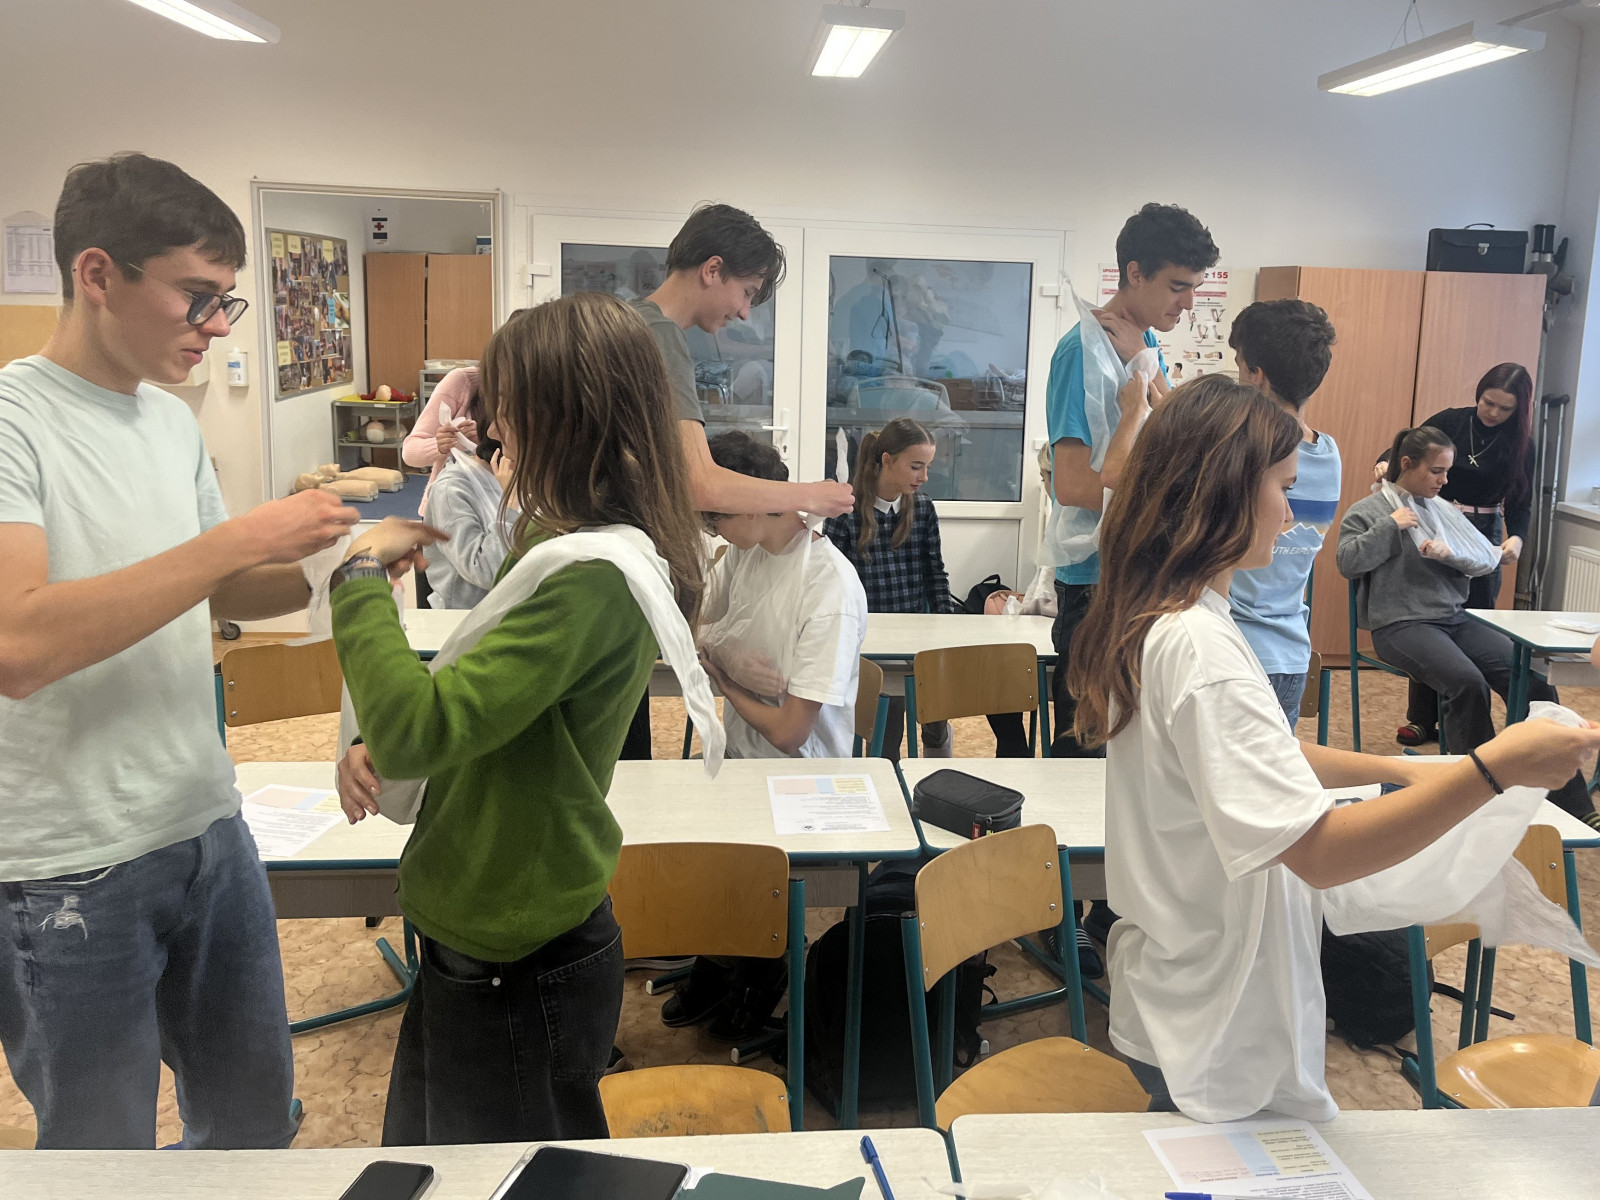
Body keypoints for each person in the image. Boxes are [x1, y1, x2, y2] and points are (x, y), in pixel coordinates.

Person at [1068, 376, 1600, 1121]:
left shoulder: (1179, 615)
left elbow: (1272, 752)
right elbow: (1319, 853)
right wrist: (1491, 769)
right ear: (1223, 492)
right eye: (1283, 488)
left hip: (1191, 983)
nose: (1290, 515)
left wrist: (1418, 773)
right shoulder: (1199, 649)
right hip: (1212, 1015)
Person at [0, 153, 358, 1149]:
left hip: (203, 822)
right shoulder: (13, 421)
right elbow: (17, 643)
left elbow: (224, 589)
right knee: (101, 1153)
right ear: (98, 274)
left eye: (225, 302)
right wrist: (238, 538)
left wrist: (340, 562)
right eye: (197, 297)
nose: (216, 326)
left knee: (252, 1120)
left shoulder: (168, 418)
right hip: (68, 864)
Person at [329, 293, 708, 1144]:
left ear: (561, 416)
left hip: (515, 939)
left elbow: (422, 730)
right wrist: (371, 735)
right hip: (492, 915)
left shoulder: (590, 574)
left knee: (501, 1172)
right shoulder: (556, 542)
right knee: (441, 1151)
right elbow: (473, 696)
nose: (493, 428)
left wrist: (357, 580)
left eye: (507, 407)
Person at [622, 204, 854, 758]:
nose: (745, 312)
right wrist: (810, 494)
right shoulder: (657, 336)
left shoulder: (620, 325)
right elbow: (700, 483)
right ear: (712, 269)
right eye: (747, 292)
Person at [662, 430, 867, 1041]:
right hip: (743, 754)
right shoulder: (745, 554)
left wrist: (723, 673)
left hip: (805, 779)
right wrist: (723, 655)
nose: (713, 530)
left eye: (717, 516)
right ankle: (728, 951)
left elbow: (789, 731)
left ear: (754, 504)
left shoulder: (828, 588)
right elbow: (695, 628)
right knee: (696, 841)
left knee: (740, 857)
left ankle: (763, 962)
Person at [1339, 426, 1597, 822]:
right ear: (1406, 464)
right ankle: (1479, 795)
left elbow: (1477, 556)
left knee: (1531, 679)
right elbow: (1348, 562)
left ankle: (1570, 801)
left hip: (1453, 618)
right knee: (1467, 684)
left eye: (1447, 471)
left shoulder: (1442, 510)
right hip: (1400, 624)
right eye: (1436, 471)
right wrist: (1391, 525)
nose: (1445, 481)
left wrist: (1468, 552)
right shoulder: (1368, 511)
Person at [1046, 202, 1218, 757]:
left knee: (1138, 752)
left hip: (1144, 571)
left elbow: (1173, 446)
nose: (1187, 304)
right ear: (1135, 273)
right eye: (1177, 287)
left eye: (1194, 289)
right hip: (1095, 584)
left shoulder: (1144, 349)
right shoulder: (1080, 351)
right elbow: (1072, 487)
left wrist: (1146, 367)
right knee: (1090, 753)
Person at [823, 417, 1031, 758]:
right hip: (869, 638)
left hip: (918, 633)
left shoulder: (922, 507)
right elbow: (834, 585)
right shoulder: (845, 512)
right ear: (887, 460)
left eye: (928, 467)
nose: (924, 477)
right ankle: (886, 775)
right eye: (916, 466)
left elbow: (936, 574)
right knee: (886, 732)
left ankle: (936, 771)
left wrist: (945, 628)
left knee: (935, 719)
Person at [1374, 364, 1536, 747]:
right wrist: (1386, 462)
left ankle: (1464, 716)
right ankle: (1421, 719)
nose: (1493, 413)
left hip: (1482, 531)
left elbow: (1521, 501)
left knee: (1473, 620)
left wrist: (1517, 539)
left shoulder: (1522, 444)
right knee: (1428, 617)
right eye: (1488, 402)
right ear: (1478, 394)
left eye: (1504, 408)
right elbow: (1407, 448)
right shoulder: (1452, 421)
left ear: (1519, 409)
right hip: (1437, 520)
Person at [1226, 299, 1340, 725]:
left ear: (1257, 375)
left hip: (1237, 652)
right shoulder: (1329, 455)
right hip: (1291, 654)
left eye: (1239, 366)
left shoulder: (1245, 450)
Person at [421, 385, 515, 609]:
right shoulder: (451, 490)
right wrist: (512, 505)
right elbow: (485, 571)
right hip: (466, 616)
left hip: (510, 608)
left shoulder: (521, 479)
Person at [402, 365, 478, 516]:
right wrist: (444, 444)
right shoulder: (461, 382)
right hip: (446, 510)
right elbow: (410, 452)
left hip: (503, 507)